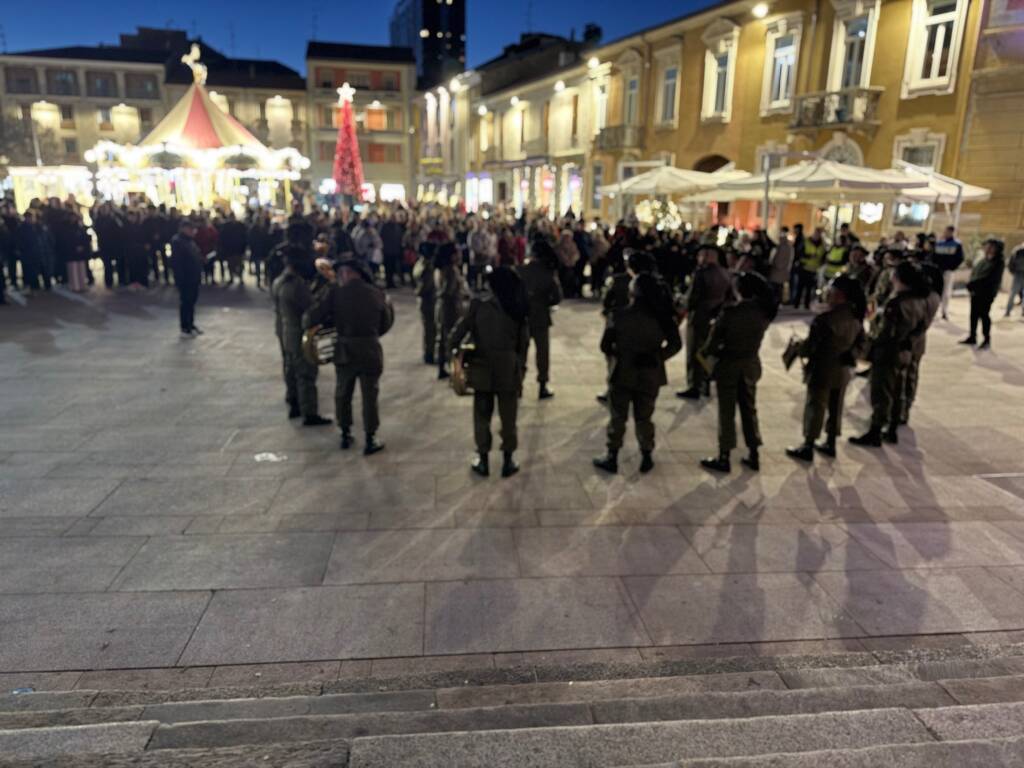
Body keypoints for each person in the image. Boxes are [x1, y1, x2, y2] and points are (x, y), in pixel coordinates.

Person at [592, 272, 682, 475]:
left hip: (623, 371)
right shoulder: (663, 318)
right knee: (644, 416)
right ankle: (646, 455)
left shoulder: (618, 315)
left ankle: (612, 455)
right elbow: (676, 344)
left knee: (618, 416)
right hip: (650, 373)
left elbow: (605, 345)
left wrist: (620, 354)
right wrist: (657, 357)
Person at [305, 259, 393, 454]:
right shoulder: (377, 292)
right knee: (370, 394)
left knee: (343, 392)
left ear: (346, 273)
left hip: (345, 349)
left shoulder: (335, 293)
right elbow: (386, 322)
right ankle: (370, 437)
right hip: (370, 349)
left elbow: (311, 318)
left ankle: (345, 433)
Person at [450, 266, 530, 478]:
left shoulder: (478, 306)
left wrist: (454, 351)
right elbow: (523, 344)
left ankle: (483, 460)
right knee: (509, 416)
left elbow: (458, 333)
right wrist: (521, 368)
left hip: (482, 366)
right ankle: (508, 460)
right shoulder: (517, 308)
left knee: (481, 415)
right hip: (508, 368)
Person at [700, 272, 775, 473]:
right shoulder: (763, 312)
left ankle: (724, 456)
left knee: (727, 412)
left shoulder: (730, 313)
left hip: (729, 365)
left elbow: (711, 346)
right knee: (749, 409)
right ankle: (754, 452)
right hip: (751, 364)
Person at [785, 275, 867, 461]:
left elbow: (810, 348)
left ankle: (808, 444)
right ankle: (831, 442)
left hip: (822, 368)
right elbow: (862, 343)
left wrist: (798, 346)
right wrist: (851, 355)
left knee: (816, 406)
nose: (828, 294)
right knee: (836, 406)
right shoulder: (855, 316)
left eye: (831, 291)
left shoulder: (824, 320)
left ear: (840, 295)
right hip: (843, 369)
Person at [850, 261, 929, 447]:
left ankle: (875, 431)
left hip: (888, 353)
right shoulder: (920, 300)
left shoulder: (897, 303)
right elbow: (921, 328)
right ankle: (892, 429)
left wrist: (871, 342)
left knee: (881, 393)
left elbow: (886, 332)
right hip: (906, 351)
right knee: (898, 391)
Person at [271, 247, 331, 426]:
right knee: (306, 372)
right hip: (298, 332)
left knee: (290, 368)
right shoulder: (296, 285)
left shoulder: (279, 281)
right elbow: (310, 308)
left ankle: (294, 403)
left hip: (284, 331)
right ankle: (309, 413)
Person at [678, 244, 731, 400]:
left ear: (707, 256)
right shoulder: (725, 273)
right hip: (715, 317)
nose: (698, 258)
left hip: (699, 317)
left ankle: (694, 386)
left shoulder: (701, 273)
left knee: (694, 351)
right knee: (707, 351)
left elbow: (692, 298)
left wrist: (681, 301)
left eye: (700, 255)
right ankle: (706, 383)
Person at [517, 238, 563, 399]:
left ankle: (518, 384)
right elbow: (557, 297)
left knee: (521, 351)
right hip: (541, 316)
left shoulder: (521, 271)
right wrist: (544, 302)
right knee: (542, 352)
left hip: (523, 315)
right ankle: (542, 385)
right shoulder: (547, 273)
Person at [902, 262, 942, 426]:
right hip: (917, 342)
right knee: (911, 374)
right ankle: (905, 408)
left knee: (908, 376)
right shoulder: (932, 296)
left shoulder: (925, 297)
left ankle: (904, 409)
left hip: (911, 341)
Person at [960, 239, 1005, 349]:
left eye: (991, 247)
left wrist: (974, 283)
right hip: (976, 292)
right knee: (973, 315)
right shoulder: (983, 260)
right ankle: (972, 336)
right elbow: (975, 273)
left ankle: (986, 339)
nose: (988, 248)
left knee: (984, 315)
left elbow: (990, 278)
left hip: (987, 293)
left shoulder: (998, 263)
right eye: (987, 246)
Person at [435, 241, 465, 380]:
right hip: (450, 308)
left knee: (442, 337)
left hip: (442, 307)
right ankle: (452, 367)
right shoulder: (451, 270)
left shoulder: (441, 269)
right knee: (451, 337)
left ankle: (442, 366)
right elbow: (449, 291)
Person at [170, 219, 204, 337]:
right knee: (186, 302)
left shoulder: (190, 241)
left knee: (191, 302)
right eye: (190, 229)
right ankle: (185, 327)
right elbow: (177, 262)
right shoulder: (178, 242)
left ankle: (191, 324)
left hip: (193, 276)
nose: (192, 231)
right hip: (186, 277)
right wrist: (179, 279)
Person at [933, 226, 964, 321]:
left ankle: (944, 311)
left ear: (952, 233)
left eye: (949, 232)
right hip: (938, 271)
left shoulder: (957, 244)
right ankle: (934, 310)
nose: (946, 233)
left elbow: (960, 258)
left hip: (948, 271)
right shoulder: (939, 243)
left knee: (946, 292)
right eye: (946, 231)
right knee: (936, 290)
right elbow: (934, 256)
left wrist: (951, 268)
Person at [793, 227, 826, 309]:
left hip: (814, 270)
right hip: (804, 268)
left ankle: (806, 305)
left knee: (809, 289)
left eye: (819, 234)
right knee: (800, 287)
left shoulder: (822, 245)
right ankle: (796, 304)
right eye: (816, 233)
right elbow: (799, 253)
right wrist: (809, 256)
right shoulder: (806, 241)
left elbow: (823, 256)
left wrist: (821, 263)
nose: (817, 235)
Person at [768, 227, 793, 305]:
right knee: (779, 287)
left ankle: (775, 302)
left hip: (776, 270)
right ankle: (778, 302)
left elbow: (771, 258)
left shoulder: (778, 246)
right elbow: (790, 261)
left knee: (775, 287)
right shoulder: (789, 247)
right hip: (782, 270)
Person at [1004, 242, 1024, 318]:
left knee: (1013, 294)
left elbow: (1010, 263)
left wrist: (1013, 271)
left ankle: (1008, 311)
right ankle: (1008, 311)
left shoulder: (1017, 250)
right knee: (1013, 294)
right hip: (1018, 274)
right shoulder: (1017, 250)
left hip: (1018, 274)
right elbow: (1011, 262)